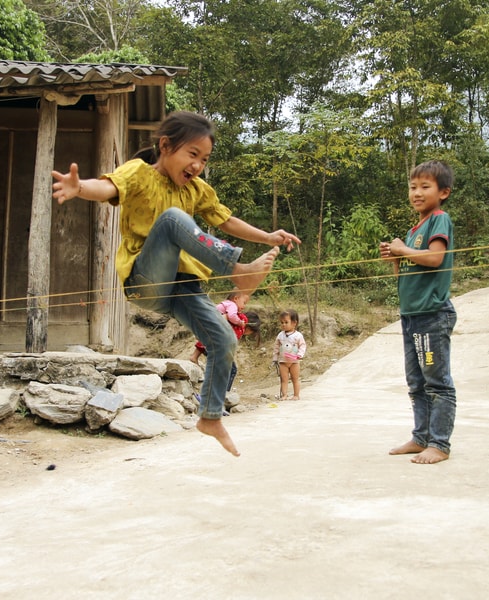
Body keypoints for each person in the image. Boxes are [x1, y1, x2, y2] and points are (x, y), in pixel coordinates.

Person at [52, 111, 300, 456]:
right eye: (192, 154)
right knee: (172, 220)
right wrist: (79, 188)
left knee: (224, 339)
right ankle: (237, 272)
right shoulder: (139, 173)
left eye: (204, 159)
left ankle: (210, 417)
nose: (197, 165)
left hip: (183, 287)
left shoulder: (196, 190)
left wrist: (268, 236)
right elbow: (108, 187)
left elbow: (226, 220)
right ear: (166, 146)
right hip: (147, 280)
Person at [381, 160, 458, 465]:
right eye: (413, 187)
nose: (416, 192)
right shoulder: (414, 229)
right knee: (416, 382)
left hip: (432, 313)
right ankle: (421, 437)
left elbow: (436, 258)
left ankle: (439, 443)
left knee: (436, 381)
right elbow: (407, 270)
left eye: (425, 186)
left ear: (443, 192)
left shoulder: (440, 219)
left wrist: (403, 250)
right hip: (412, 315)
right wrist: (395, 257)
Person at [272, 309, 307, 401]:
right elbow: (276, 347)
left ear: (294, 323)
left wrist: (300, 354)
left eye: (286, 322)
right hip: (283, 361)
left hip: (294, 361)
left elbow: (302, 345)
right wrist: (275, 358)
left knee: (295, 379)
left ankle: (296, 395)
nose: (283, 324)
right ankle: (284, 395)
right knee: (284, 380)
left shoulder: (298, 336)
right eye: (282, 322)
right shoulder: (280, 335)